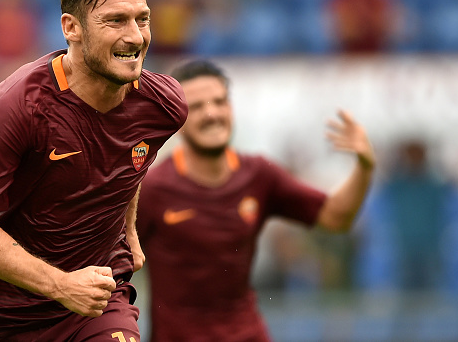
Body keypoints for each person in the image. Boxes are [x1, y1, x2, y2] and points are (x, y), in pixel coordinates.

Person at [0, 0, 188, 341]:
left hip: (96, 307)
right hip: (0, 320)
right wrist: (61, 285)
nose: (135, 36)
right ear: (71, 28)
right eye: (115, 21)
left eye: (142, 19)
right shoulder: (17, 108)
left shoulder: (164, 105)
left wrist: (129, 230)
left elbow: (132, 160)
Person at [137, 60, 375, 342]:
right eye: (197, 106)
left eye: (219, 102)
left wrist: (364, 166)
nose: (211, 113)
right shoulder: (152, 189)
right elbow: (112, 264)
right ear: (176, 118)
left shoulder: (259, 175)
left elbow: (336, 218)